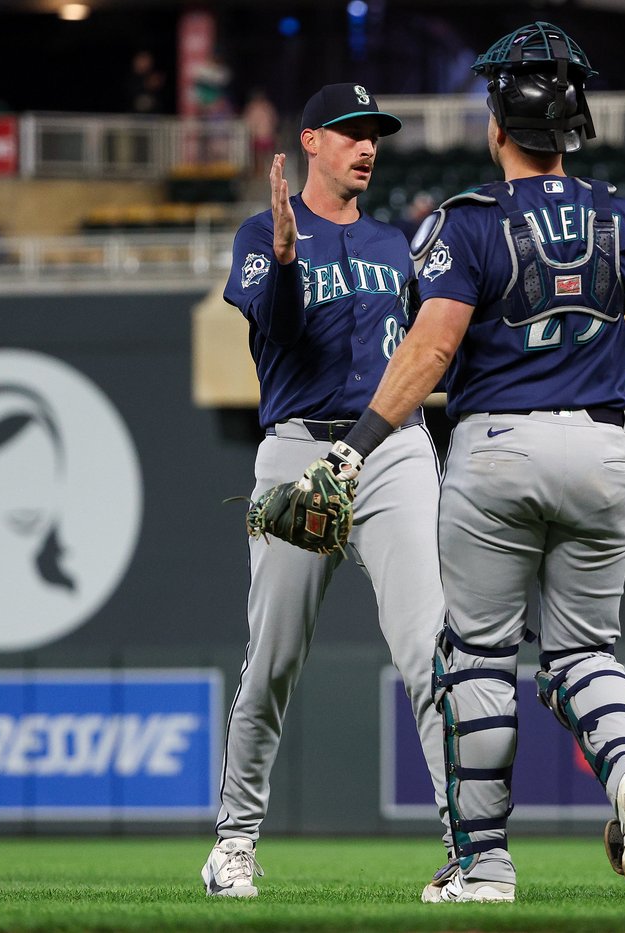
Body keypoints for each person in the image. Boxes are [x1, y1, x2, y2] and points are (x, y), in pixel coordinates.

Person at [282, 22, 625, 903]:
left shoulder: (465, 223)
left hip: (498, 452)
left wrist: (353, 449)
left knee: (477, 661)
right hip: (605, 452)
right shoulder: (624, 216)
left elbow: (427, 355)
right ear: (576, 124)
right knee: (583, 651)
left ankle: (484, 865)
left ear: (498, 124)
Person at [203, 82, 450, 898]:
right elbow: (272, 331)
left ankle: (471, 846)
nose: (366, 144)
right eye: (350, 132)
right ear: (309, 142)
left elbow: (429, 348)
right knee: (272, 659)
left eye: (374, 132)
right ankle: (233, 841)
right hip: (298, 451)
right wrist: (280, 260)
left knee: (429, 651)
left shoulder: (393, 244)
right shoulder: (259, 234)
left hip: (391, 449)